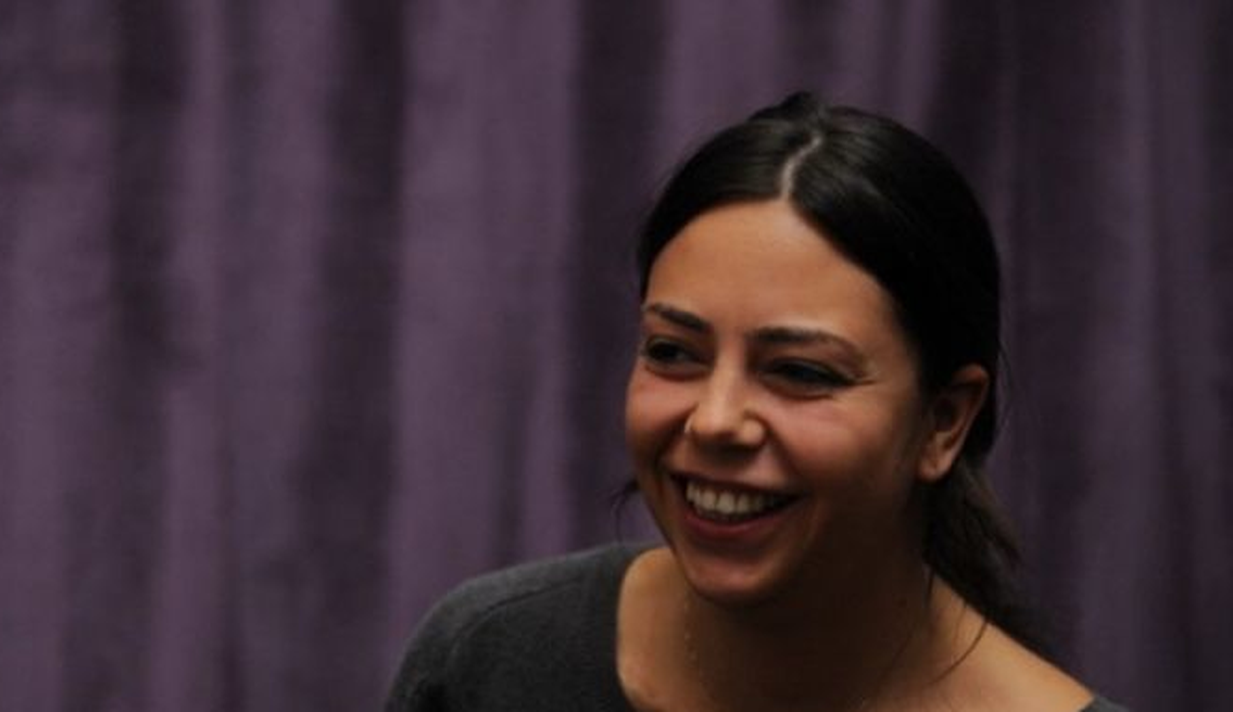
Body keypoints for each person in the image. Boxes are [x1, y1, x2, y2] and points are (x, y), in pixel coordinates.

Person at [388, 93, 1127, 712]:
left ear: (944, 420)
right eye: (672, 353)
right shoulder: (492, 659)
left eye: (799, 371)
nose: (714, 421)